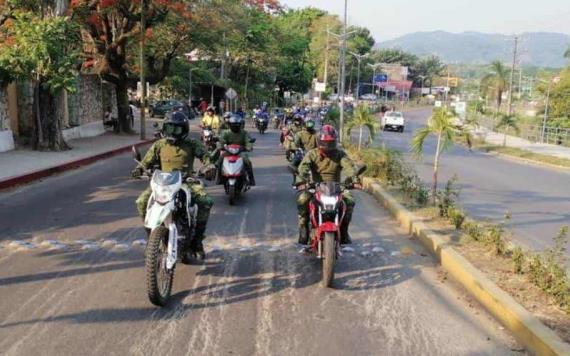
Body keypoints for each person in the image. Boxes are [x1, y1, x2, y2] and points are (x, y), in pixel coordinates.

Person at [132, 111, 213, 258]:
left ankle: (197, 241)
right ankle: (152, 239)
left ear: (184, 129)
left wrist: (209, 166)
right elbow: (146, 162)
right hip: (162, 182)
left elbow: (205, 156)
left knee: (206, 201)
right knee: (141, 202)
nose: (172, 132)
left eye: (176, 129)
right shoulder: (159, 145)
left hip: (186, 182)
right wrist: (139, 169)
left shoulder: (192, 144)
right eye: (169, 128)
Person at [295, 125, 359, 245]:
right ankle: (303, 228)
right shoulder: (312, 154)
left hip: (336, 186)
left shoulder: (340, 154)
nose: (328, 146)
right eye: (325, 143)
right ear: (320, 142)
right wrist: (301, 180)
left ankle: (344, 230)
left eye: (330, 143)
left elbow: (349, 167)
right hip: (316, 186)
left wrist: (354, 179)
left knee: (349, 201)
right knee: (302, 200)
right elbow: (303, 168)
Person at [217, 114, 256, 186]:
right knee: (220, 160)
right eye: (233, 125)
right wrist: (222, 146)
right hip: (228, 151)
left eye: (237, 125)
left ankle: (251, 179)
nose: (235, 126)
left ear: (240, 125)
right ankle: (219, 178)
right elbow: (222, 140)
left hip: (240, 151)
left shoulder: (244, 133)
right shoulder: (226, 132)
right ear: (230, 125)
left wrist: (248, 147)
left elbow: (248, 141)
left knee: (247, 161)